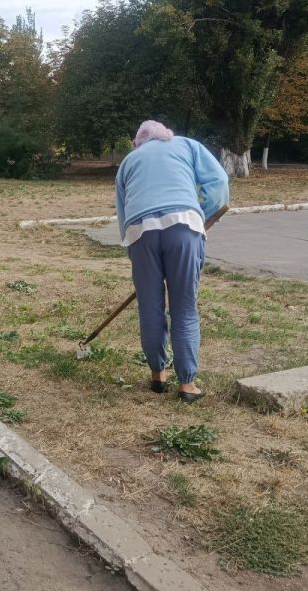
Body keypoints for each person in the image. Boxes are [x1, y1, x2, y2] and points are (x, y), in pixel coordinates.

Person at [115, 120, 229, 403]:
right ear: (167, 135)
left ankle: (158, 374)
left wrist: (134, 252)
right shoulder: (187, 145)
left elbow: (123, 212)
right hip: (184, 226)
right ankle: (187, 384)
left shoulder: (129, 161)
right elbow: (219, 183)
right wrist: (201, 214)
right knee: (184, 306)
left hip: (140, 232)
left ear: (139, 142)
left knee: (150, 307)